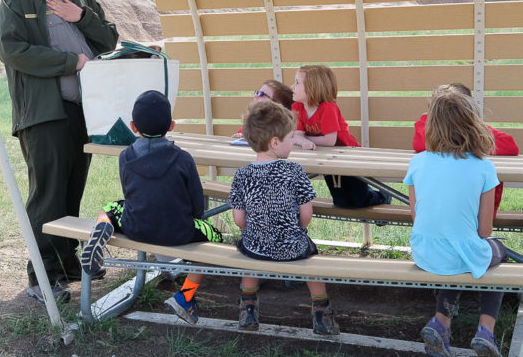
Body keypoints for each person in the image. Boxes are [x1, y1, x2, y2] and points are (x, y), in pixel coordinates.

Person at [0, 0, 120, 304]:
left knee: (71, 190)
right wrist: (70, 61)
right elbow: (12, 50)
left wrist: (80, 16)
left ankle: (67, 264)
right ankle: (43, 275)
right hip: (44, 113)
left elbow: (110, 40)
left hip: (84, 111)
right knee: (47, 195)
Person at [78, 90, 223, 324]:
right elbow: (197, 205)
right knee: (215, 239)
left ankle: (102, 228)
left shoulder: (126, 156)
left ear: (134, 126)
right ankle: (185, 297)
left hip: (137, 226)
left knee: (110, 207)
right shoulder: (183, 158)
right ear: (172, 125)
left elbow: (129, 193)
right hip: (178, 231)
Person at [403, 87, 509, 357]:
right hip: (457, 252)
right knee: (495, 254)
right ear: (474, 123)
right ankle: (486, 329)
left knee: (457, 254)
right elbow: (485, 231)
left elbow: (417, 215)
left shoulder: (417, 161)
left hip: (423, 252)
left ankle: (440, 322)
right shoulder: (484, 167)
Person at [229, 101, 340, 335]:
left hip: (256, 247)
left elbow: (239, 220)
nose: (293, 141)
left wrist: (259, 230)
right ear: (275, 142)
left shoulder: (242, 175)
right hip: (293, 247)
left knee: (248, 259)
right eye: (290, 137)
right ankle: (321, 313)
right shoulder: (295, 171)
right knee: (311, 262)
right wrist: (294, 231)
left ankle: (248, 309)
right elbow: (306, 214)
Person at [412, 82, 520, 217]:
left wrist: (427, 120)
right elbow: (511, 146)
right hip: (476, 215)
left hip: (457, 214)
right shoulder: (480, 134)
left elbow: (511, 147)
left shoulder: (432, 133)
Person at [290, 64, 388, 208]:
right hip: (328, 159)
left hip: (349, 156)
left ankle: (383, 196)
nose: (292, 86)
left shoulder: (328, 108)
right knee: (340, 202)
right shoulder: (298, 108)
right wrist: (301, 139)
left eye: (297, 82)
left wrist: (304, 140)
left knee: (360, 199)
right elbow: (296, 135)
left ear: (312, 88)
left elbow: (330, 140)